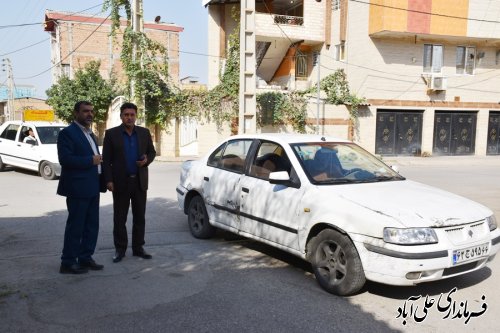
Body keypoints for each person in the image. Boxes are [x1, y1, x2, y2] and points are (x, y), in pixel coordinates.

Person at [102, 102, 156, 263]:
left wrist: (147, 160)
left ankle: (138, 248)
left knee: (140, 217)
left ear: (136, 116)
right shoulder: (111, 134)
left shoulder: (144, 133)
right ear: (121, 116)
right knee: (120, 218)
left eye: (132, 115)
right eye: (126, 115)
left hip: (139, 182)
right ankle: (120, 249)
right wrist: (109, 180)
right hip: (120, 182)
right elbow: (106, 160)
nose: (129, 117)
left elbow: (151, 152)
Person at [57, 101, 105, 274]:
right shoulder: (67, 133)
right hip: (77, 188)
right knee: (76, 226)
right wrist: (90, 161)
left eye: (91, 111)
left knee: (92, 226)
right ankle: (68, 262)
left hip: (93, 186)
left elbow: (96, 158)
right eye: (85, 111)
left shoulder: (90, 134)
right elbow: (65, 160)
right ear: (76, 112)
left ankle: (85, 258)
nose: (89, 114)